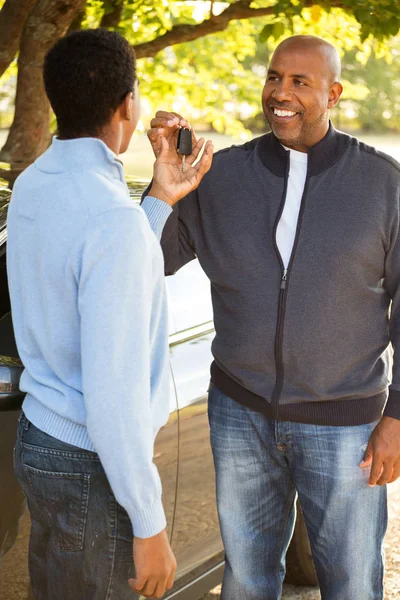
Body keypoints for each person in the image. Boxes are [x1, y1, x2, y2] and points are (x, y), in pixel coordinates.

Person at [145, 35, 400, 600]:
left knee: (353, 584)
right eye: (274, 78)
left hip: (346, 423)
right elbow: (152, 259)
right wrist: (163, 185)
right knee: (247, 578)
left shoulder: (383, 183)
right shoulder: (222, 175)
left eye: (300, 83)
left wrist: (397, 417)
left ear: (333, 94)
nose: (280, 93)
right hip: (240, 413)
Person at [7, 29, 213, 599]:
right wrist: (149, 523)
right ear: (128, 105)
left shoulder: (33, 185)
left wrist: (157, 202)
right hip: (90, 463)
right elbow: (114, 393)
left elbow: (94, 267)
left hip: (40, 438)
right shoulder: (109, 219)